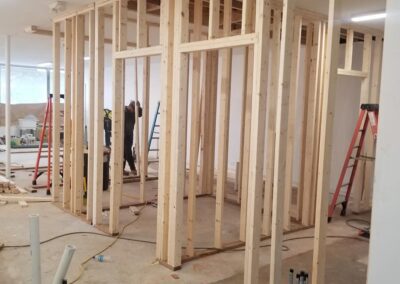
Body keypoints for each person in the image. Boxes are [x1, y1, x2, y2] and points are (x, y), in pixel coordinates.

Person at [124, 100, 142, 176]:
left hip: (130, 134)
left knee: (125, 153)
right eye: (134, 110)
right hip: (123, 135)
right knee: (127, 152)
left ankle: (121, 169)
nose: (134, 112)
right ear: (130, 107)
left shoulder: (134, 112)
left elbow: (140, 114)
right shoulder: (124, 112)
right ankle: (133, 169)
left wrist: (139, 108)